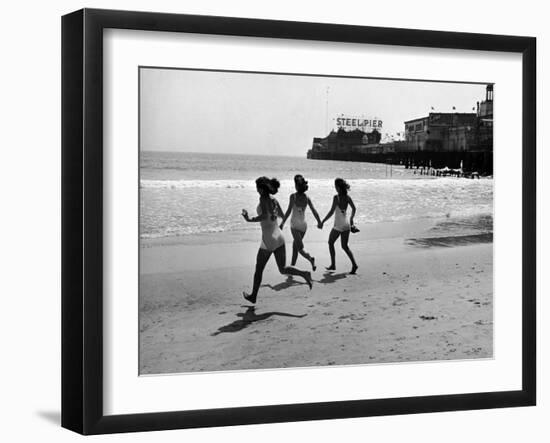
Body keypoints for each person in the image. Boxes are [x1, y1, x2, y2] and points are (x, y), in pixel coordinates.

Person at [241, 176, 313, 304]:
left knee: (259, 269)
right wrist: (273, 214)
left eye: (257, 187)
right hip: (279, 236)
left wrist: (248, 219)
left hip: (269, 239)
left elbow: (263, 216)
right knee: (283, 268)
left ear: (261, 189)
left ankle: (253, 296)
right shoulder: (274, 200)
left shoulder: (263, 198)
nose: (256, 190)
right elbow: (282, 215)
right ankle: (304, 274)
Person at [280, 174, 321, 271]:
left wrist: (282, 223)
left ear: (296, 186)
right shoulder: (307, 198)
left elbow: (289, 211)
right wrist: (319, 221)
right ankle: (292, 266)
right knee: (295, 246)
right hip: (303, 226)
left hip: (294, 225)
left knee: (300, 248)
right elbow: (314, 210)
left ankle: (310, 258)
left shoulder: (293, 197)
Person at [319, 178, 359, 274]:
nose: (335, 188)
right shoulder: (347, 197)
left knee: (330, 242)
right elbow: (354, 208)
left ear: (338, 187)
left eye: (335, 186)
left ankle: (333, 264)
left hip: (339, 225)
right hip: (346, 225)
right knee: (345, 246)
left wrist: (323, 221)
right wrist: (351, 220)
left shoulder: (336, 198)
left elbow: (331, 212)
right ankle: (354, 264)